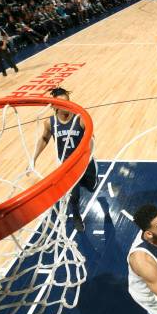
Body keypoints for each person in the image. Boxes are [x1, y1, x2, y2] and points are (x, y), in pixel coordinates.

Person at [32, 87, 96, 231]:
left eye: (68, 102)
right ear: (54, 105)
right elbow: (44, 139)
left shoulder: (80, 118)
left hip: (84, 161)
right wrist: (33, 158)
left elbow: (91, 138)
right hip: (67, 165)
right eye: (62, 103)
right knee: (74, 196)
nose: (66, 105)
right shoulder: (50, 123)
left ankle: (87, 181)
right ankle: (76, 216)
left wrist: (88, 153)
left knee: (92, 187)